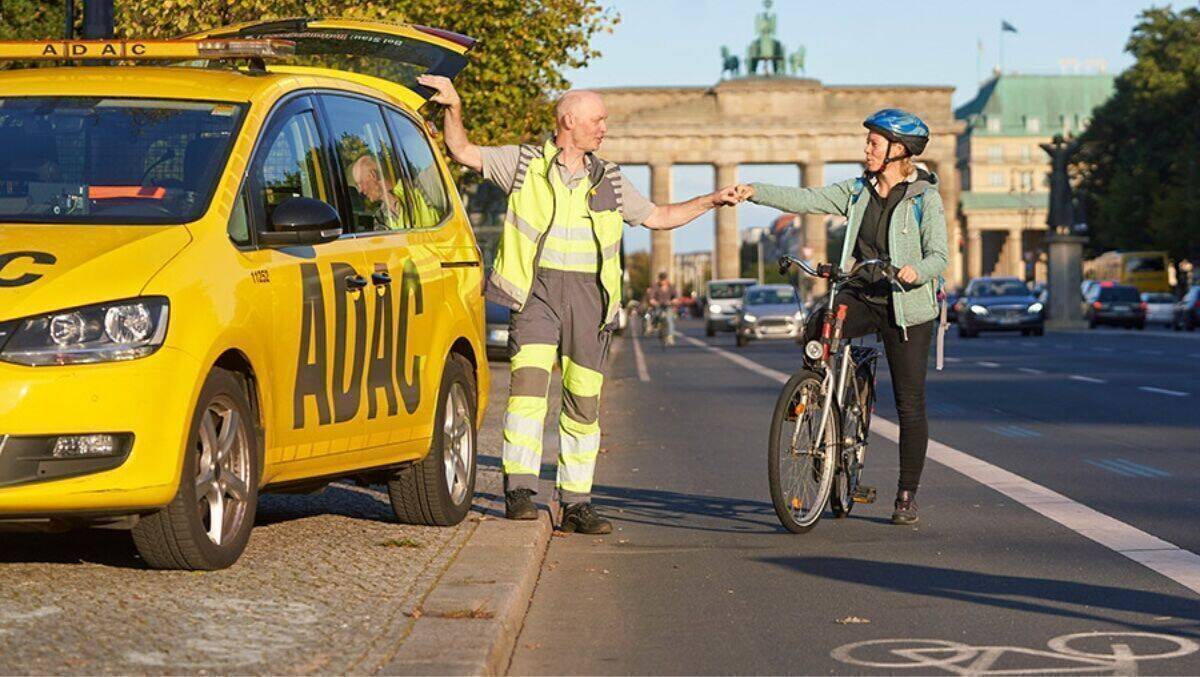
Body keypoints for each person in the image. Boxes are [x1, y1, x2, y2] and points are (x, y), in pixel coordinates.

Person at [418, 74, 742, 534]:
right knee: (528, 393)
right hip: (536, 293)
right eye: (598, 119)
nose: (604, 128)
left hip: (591, 298)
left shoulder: (609, 176)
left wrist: (712, 199)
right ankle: (520, 491)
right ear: (569, 120)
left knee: (583, 402)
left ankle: (576, 504)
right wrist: (453, 108)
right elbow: (464, 151)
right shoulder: (524, 162)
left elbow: (658, 217)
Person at [734, 108, 948, 526]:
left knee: (910, 403)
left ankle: (906, 494)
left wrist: (915, 271)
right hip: (864, 292)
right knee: (820, 320)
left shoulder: (925, 198)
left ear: (898, 150)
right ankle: (813, 393)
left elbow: (939, 255)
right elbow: (808, 199)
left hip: (906, 304)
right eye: (867, 141)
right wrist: (754, 190)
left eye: (873, 142)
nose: (866, 148)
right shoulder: (856, 192)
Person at [350, 155, 402, 229]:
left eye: (360, 183)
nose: (360, 190)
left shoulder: (416, 192)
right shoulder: (380, 219)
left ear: (373, 175)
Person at [647, 271, 679, 345]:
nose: (663, 281)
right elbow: (651, 297)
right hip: (658, 305)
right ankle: (654, 325)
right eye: (662, 280)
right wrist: (653, 302)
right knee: (656, 314)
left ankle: (670, 337)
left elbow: (676, 297)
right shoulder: (655, 286)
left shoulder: (671, 286)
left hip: (668, 306)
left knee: (669, 319)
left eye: (664, 279)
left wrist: (673, 301)